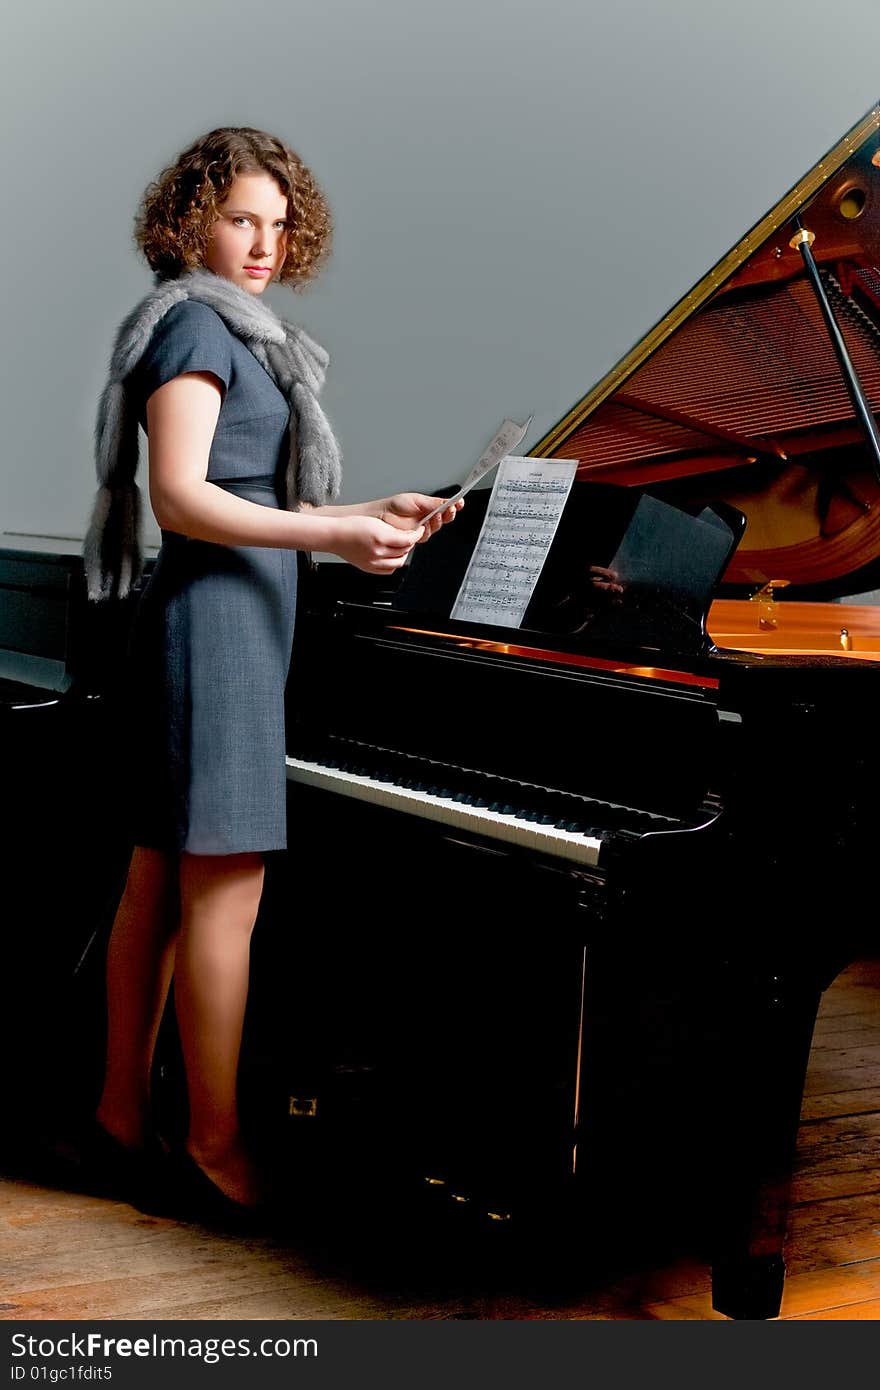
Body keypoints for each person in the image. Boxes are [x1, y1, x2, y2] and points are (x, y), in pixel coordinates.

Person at [78, 126, 462, 1218]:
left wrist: (358, 510)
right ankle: (212, 1142)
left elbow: (253, 496)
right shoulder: (196, 327)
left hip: (221, 621)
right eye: (241, 217)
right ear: (190, 218)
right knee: (223, 898)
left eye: (278, 223)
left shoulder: (239, 333)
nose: (263, 242)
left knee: (156, 883)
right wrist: (334, 540)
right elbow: (185, 500)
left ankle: (117, 1118)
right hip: (218, 628)